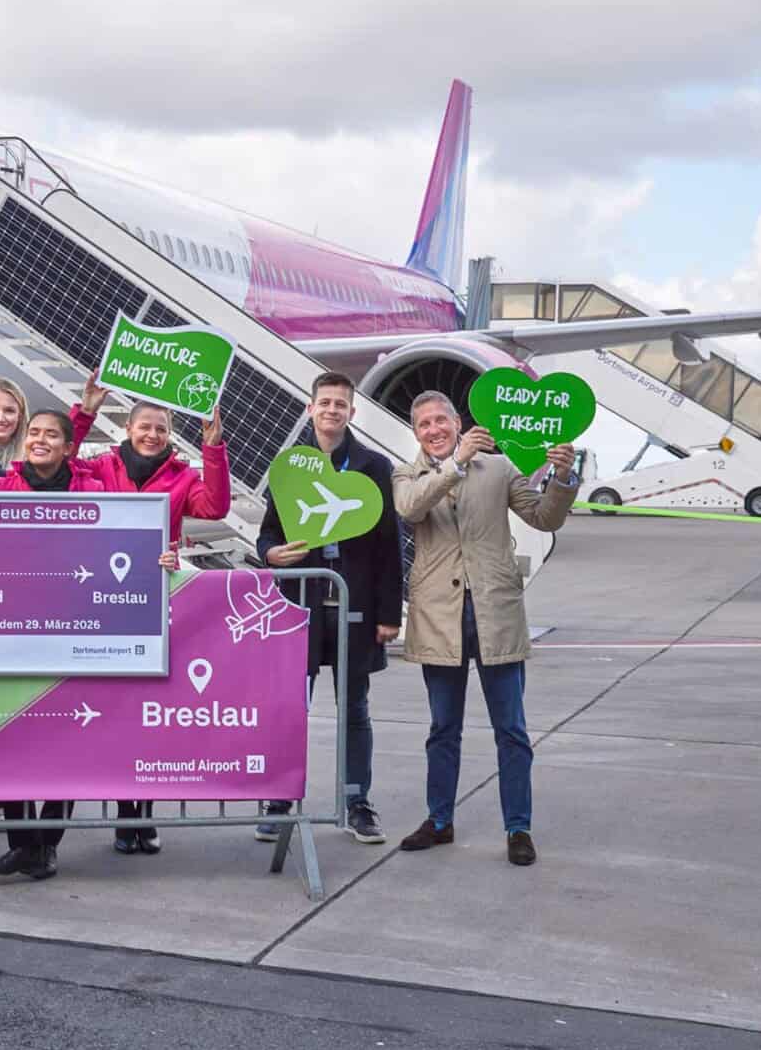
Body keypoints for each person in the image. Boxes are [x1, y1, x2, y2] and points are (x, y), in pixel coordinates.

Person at [0, 409, 175, 881]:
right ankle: (22, 844)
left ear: (67, 446)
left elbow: (127, 542)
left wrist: (159, 556)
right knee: (12, 739)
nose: (39, 440)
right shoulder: (2, 490)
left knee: (67, 745)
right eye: (33, 432)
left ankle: (46, 846)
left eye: (50, 434)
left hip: (78, 632)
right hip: (13, 633)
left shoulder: (93, 491)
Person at [392, 389, 576, 867]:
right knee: (442, 729)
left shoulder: (498, 467)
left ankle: (518, 827)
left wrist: (561, 476)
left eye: (441, 420)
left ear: (458, 422)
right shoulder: (406, 474)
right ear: (416, 433)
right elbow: (411, 509)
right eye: (423, 424)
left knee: (511, 729)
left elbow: (544, 515)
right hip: (439, 617)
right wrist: (455, 463)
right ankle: (439, 820)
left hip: (495, 611)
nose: (433, 429)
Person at [71, 375, 230, 854]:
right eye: (145, 426)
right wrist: (84, 413)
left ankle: (146, 812)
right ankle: (125, 815)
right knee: (119, 714)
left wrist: (213, 445)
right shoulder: (101, 466)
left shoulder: (183, 476)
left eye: (161, 428)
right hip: (104, 602)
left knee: (152, 713)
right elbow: (61, 467)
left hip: (157, 605)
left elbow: (217, 503)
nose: (152, 435)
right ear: (128, 427)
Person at [253, 371, 401, 845]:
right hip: (303, 607)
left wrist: (389, 613)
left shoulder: (373, 466)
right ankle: (278, 802)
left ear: (351, 412)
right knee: (292, 708)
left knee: (354, 709)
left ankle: (357, 802)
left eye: (341, 403)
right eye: (325, 403)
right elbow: (270, 532)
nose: (333, 410)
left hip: (355, 607)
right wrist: (270, 555)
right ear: (310, 409)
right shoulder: (290, 466)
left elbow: (387, 546)